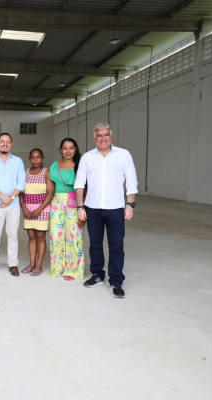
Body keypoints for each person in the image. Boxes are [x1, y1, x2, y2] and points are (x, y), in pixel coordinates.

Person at [75, 122, 138, 298]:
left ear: (111, 136)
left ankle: (116, 281)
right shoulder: (87, 157)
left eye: (106, 135)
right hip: (93, 208)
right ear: (94, 138)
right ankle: (97, 275)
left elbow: (132, 182)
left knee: (116, 246)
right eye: (99, 135)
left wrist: (130, 205)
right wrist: (81, 207)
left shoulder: (123, 155)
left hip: (116, 208)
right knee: (95, 244)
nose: (103, 138)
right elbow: (79, 184)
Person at [0, 132, 26, 277]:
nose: (5, 144)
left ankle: (13, 264)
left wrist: (12, 197)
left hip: (13, 206)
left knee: (12, 235)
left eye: (8, 141)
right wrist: (2, 197)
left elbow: (21, 181)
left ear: (11, 144)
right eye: (2, 141)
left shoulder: (18, 161)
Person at [49, 138, 85, 281]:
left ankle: (73, 270)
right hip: (56, 203)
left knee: (74, 236)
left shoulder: (81, 166)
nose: (68, 151)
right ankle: (57, 268)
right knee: (56, 235)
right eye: (65, 148)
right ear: (61, 150)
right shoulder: (54, 166)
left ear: (75, 149)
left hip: (75, 203)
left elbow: (86, 188)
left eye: (71, 148)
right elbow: (50, 190)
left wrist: (83, 210)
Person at [19, 148, 54, 277]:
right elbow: (20, 192)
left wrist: (39, 210)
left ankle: (39, 264)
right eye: (33, 157)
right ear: (29, 159)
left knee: (40, 237)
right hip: (28, 210)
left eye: (38, 157)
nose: (35, 160)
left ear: (43, 158)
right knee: (31, 237)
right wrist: (24, 208)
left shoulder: (47, 172)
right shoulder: (25, 172)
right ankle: (32, 263)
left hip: (42, 209)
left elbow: (50, 194)